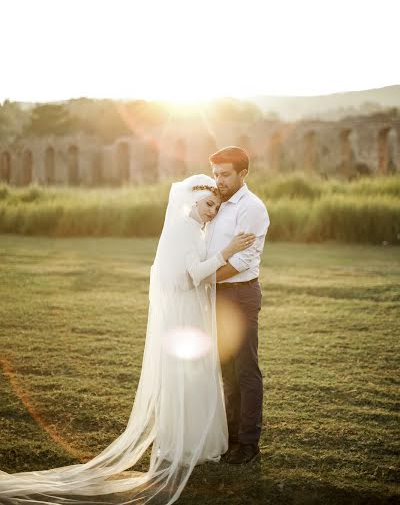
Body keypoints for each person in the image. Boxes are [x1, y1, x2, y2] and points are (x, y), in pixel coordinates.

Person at [0, 174, 255, 505]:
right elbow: (193, 275)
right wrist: (228, 251)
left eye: (216, 208)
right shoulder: (183, 228)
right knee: (185, 375)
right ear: (192, 200)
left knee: (195, 374)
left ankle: (198, 440)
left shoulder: (194, 227)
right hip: (185, 313)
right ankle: (185, 442)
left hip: (191, 311)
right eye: (208, 205)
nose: (212, 212)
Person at [206, 147, 270, 465]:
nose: (218, 181)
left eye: (225, 174)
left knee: (246, 369)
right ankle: (230, 438)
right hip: (216, 297)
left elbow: (244, 260)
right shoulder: (215, 204)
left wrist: (205, 279)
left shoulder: (252, 207)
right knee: (226, 371)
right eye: (216, 173)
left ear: (243, 174)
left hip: (240, 295)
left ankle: (248, 445)